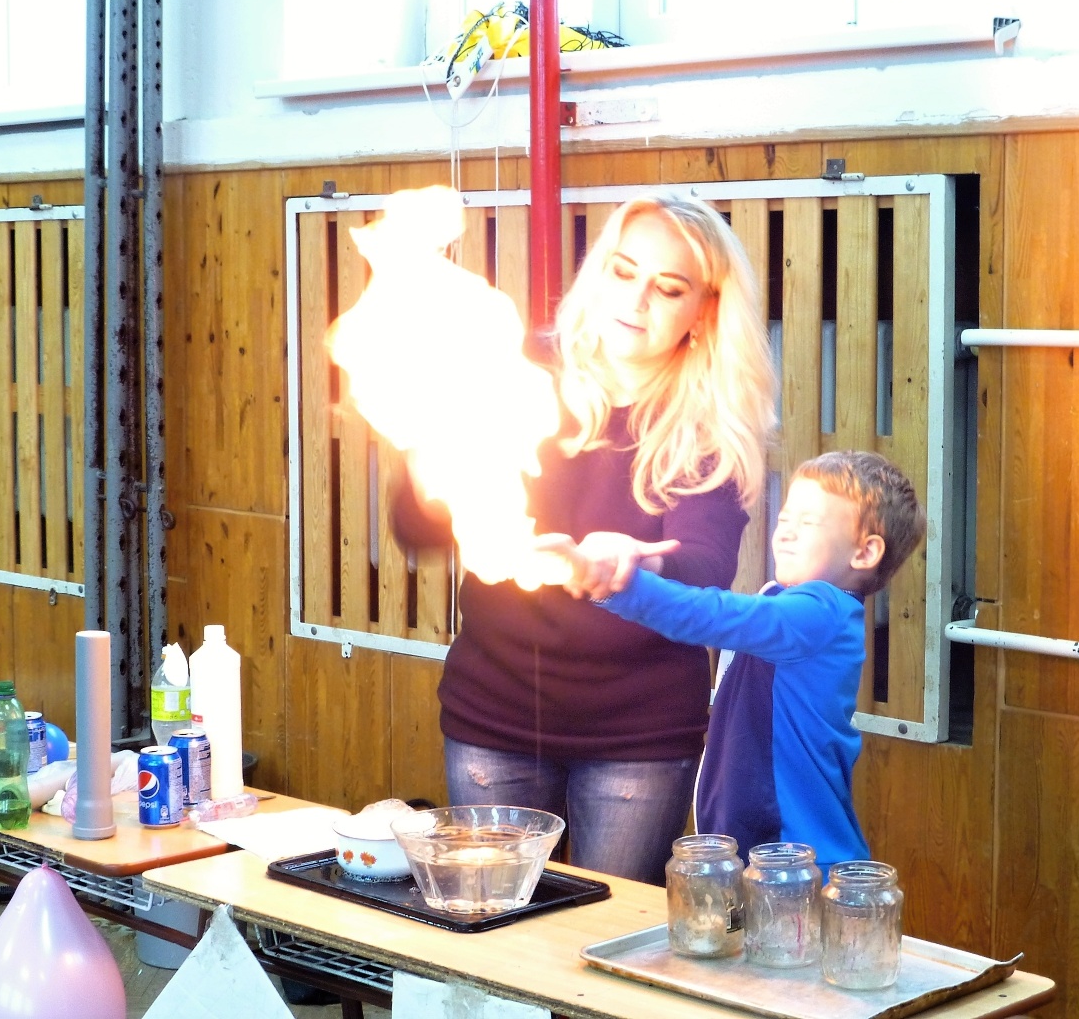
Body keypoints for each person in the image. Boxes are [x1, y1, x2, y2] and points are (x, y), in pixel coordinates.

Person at [390, 191, 776, 885]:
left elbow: (706, 565)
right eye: (624, 272)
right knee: (495, 932)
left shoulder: (708, 424)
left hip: (637, 737)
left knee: (602, 938)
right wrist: (425, 465)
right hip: (495, 716)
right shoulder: (512, 370)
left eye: (669, 288)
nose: (636, 299)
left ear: (705, 310)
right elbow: (416, 528)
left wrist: (632, 567)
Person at [547, 450, 926, 870]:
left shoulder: (819, 614)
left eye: (808, 523)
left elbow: (711, 615)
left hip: (794, 861)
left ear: (865, 552)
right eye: (785, 518)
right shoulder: (797, 606)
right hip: (768, 855)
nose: (785, 533)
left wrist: (618, 584)